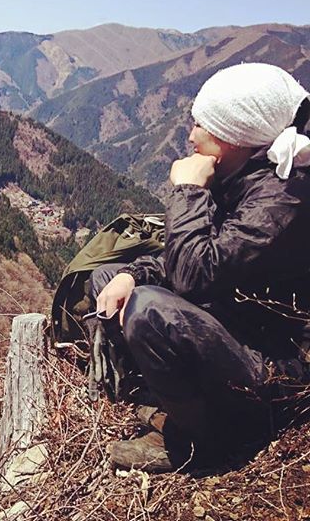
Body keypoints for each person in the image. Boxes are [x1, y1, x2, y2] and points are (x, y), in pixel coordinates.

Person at [89, 62, 310, 472]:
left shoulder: (281, 201)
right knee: (108, 280)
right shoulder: (246, 177)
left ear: (232, 137)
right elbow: (194, 258)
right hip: (235, 320)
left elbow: (195, 276)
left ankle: (201, 441)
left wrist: (188, 192)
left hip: (274, 365)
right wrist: (131, 274)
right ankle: (175, 400)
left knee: (148, 312)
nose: (190, 136)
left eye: (200, 126)